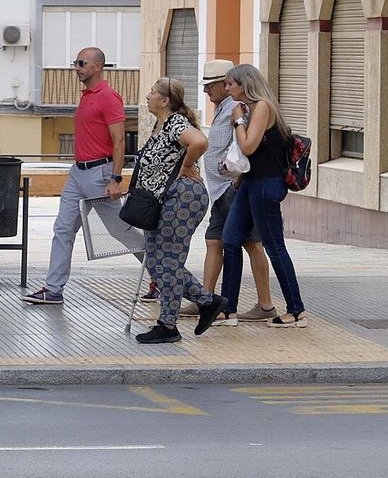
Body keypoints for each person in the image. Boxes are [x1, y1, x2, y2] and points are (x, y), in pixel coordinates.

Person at [24, 47, 135, 305]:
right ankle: (53, 290)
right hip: (77, 173)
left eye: (82, 63)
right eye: (75, 63)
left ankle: (160, 277)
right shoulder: (86, 96)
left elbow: (119, 141)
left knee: (119, 231)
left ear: (98, 66)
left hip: (100, 174)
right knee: (62, 228)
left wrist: (116, 178)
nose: (76, 67)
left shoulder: (108, 97)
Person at [132, 78, 224, 343]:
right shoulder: (159, 126)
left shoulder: (175, 123)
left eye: (152, 92)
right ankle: (207, 302)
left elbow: (199, 142)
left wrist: (185, 167)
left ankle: (168, 325)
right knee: (156, 261)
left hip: (182, 199)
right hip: (162, 200)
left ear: (165, 101)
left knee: (168, 262)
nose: (147, 96)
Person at [218, 63, 309, 328]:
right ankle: (228, 310)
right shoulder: (251, 108)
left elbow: (247, 146)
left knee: (274, 246)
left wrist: (237, 119)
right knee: (231, 239)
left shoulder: (262, 107)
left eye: (229, 84)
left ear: (244, 85)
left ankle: (296, 311)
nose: (226, 88)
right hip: (250, 183)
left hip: (266, 185)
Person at [198, 60, 274, 320]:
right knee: (213, 240)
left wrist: (237, 178)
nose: (207, 91)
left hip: (232, 187)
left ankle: (264, 305)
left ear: (227, 84)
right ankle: (206, 300)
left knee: (251, 244)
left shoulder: (238, 108)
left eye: (212, 86)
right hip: (219, 191)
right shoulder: (222, 108)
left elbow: (245, 147)